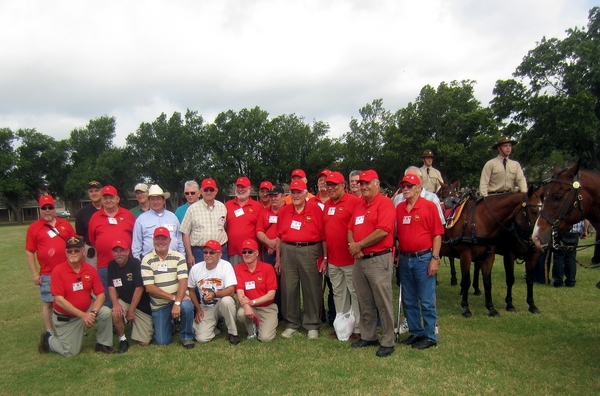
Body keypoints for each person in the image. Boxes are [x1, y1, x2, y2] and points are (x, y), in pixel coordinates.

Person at [38, 236, 114, 356]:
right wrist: (83, 316)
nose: (73, 253)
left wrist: (92, 313)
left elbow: (100, 295)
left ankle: (103, 344)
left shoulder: (90, 269)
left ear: (83, 251)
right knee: (70, 352)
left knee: (105, 312)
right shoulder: (58, 271)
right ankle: (48, 339)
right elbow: (59, 300)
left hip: (87, 310)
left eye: (77, 250)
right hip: (67, 317)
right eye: (69, 251)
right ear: (65, 253)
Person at [348, 170, 395, 358]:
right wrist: (354, 246)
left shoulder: (385, 203)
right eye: (361, 183)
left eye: (367, 183)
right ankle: (369, 336)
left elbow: (383, 230)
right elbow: (350, 228)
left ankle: (388, 341)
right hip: (360, 259)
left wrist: (359, 245)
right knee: (364, 300)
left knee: (383, 301)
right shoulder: (360, 204)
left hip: (378, 259)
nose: (363, 186)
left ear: (377, 184)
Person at [396, 174, 444, 350]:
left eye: (410, 186)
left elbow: (437, 235)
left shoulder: (429, 206)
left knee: (426, 300)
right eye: (403, 186)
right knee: (409, 299)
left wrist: (435, 258)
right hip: (405, 258)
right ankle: (416, 332)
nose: (406, 189)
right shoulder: (400, 208)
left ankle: (430, 336)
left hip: (423, 258)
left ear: (418, 187)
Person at [276, 179, 325, 340]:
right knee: (289, 288)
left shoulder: (316, 209)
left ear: (305, 193)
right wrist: (278, 258)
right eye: (293, 192)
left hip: (310, 250)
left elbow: (324, 236)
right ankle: (292, 324)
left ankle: (312, 325)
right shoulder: (284, 211)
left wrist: (325, 257)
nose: (296, 195)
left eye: (299, 192)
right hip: (288, 250)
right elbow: (279, 237)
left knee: (311, 287)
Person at [26, 195, 76, 336]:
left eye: (50, 207)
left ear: (54, 208)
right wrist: (35, 273)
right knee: (49, 303)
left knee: (70, 300)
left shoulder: (65, 225)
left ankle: (72, 326)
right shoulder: (34, 228)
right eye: (44, 208)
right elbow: (30, 252)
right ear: (40, 209)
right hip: (48, 273)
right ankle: (49, 331)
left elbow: (75, 244)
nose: (47, 211)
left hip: (68, 270)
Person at [322, 172, 361, 340]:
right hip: (333, 260)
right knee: (338, 294)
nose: (330, 188)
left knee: (356, 294)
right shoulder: (327, 205)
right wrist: (325, 257)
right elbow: (325, 232)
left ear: (343, 186)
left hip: (351, 259)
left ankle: (358, 328)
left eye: (334, 185)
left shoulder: (354, 202)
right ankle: (342, 327)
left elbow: (359, 228)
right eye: (328, 185)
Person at [141, 227, 195, 348]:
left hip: (179, 299)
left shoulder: (179, 257)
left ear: (170, 240)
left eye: (164, 239)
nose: (161, 242)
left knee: (187, 306)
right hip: (159, 303)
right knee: (162, 342)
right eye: (158, 239)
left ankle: (187, 336)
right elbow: (149, 287)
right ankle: (170, 325)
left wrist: (177, 302)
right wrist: (173, 298)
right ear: (153, 240)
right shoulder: (146, 260)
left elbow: (183, 281)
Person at [88, 185, 136, 308]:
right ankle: (111, 323)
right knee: (107, 295)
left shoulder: (127, 215)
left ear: (117, 199)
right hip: (105, 264)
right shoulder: (95, 217)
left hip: (126, 264)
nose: (108, 201)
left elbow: (134, 236)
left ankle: (130, 316)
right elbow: (93, 239)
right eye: (105, 198)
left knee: (128, 292)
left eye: (111, 197)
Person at [187, 240, 239, 345]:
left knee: (227, 301)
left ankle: (233, 333)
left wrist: (215, 294)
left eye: (211, 253)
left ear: (219, 254)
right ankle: (216, 328)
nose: (207, 255)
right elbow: (191, 290)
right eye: (205, 252)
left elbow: (231, 290)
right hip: (205, 306)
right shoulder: (196, 268)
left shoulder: (226, 266)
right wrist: (198, 309)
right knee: (201, 338)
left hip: (221, 303)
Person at [108, 239, 153, 353]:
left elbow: (139, 288)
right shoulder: (111, 265)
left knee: (144, 343)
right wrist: (116, 303)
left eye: (122, 251)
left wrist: (131, 311)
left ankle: (142, 325)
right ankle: (123, 339)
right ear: (112, 253)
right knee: (116, 312)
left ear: (128, 251)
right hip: (124, 301)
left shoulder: (135, 263)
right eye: (116, 251)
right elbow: (111, 287)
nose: (119, 254)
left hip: (140, 305)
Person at [234, 239, 279, 342]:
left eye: (250, 252)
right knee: (241, 313)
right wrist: (247, 305)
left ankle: (264, 325)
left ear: (257, 253)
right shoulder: (238, 269)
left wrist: (252, 302)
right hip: (249, 306)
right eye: (244, 252)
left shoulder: (267, 268)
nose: (247, 254)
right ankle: (252, 329)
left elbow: (271, 295)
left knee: (266, 338)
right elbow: (240, 292)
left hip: (267, 307)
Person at [180, 177, 228, 266]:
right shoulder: (192, 209)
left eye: (211, 190)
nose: (209, 192)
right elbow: (185, 233)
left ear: (216, 191)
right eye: (206, 190)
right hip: (200, 252)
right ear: (201, 191)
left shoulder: (222, 207)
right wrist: (190, 254)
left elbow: (224, 227)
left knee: (220, 278)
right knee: (202, 279)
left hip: (220, 251)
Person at [132, 184, 184, 260]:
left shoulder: (172, 217)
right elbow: (136, 246)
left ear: (163, 200)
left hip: (173, 260)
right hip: (149, 261)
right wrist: (138, 263)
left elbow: (179, 241)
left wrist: (182, 258)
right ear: (149, 201)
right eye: (153, 199)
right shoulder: (141, 219)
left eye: (158, 199)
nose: (155, 202)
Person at [256, 184, 285, 317]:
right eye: (271, 196)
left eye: (276, 195)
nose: (273, 198)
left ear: (283, 197)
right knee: (272, 283)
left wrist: (277, 245)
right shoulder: (264, 212)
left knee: (287, 284)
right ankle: (274, 311)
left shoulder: (288, 210)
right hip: (269, 253)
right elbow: (259, 231)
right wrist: (269, 243)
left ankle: (286, 312)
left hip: (286, 252)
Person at [225, 176, 263, 266]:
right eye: (239, 187)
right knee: (235, 278)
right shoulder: (227, 205)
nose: (240, 190)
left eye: (243, 187)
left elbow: (261, 229)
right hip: (233, 252)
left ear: (249, 188)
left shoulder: (258, 206)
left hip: (252, 252)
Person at [75, 181, 103, 267]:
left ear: (102, 191)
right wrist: (80, 254)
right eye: (91, 191)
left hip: (108, 250)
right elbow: (80, 237)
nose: (94, 193)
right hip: (91, 250)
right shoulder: (82, 213)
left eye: (96, 190)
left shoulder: (109, 209)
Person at [552, 220, 587, 288]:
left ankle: (558, 282)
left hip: (561, 230)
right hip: (574, 233)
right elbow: (586, 218)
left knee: (559, 257)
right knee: (571, 257)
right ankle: (571, 281)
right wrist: (585, 230)